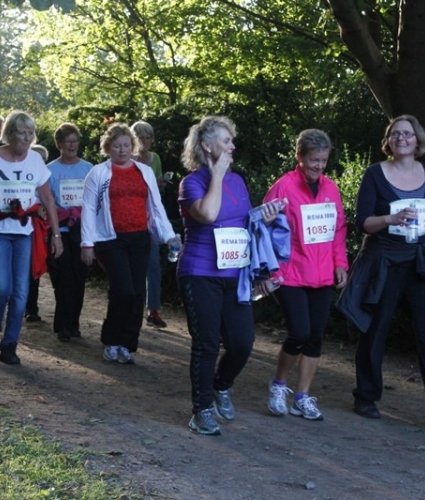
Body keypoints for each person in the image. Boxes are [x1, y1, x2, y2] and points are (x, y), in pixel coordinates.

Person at [0, 110, 63, 365]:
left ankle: (9, 345)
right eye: (22, 133)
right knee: (2, 287)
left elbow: (48, 198)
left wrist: (56, 234)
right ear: (10, 134)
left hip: (24, 232)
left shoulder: (35, 161)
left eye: (31, 133)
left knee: (20, 292)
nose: (27, 138)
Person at [337, 115, 425, 419]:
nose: (401, 138)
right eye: (395, 134)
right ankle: (366, 396)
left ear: (417, 140)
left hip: (419, 263)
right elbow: (363, 223)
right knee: (375, 330)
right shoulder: (375, 174)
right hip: (384, 261)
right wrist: (391, 219)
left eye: (407, 134)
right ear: (388, 141)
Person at [177, 116, 260, 435]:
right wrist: (217, 176)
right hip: (200, 273)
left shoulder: (238, 181)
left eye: (232, 140)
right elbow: (209, 214)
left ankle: (221, 385)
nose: (232, 146)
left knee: (243, 343)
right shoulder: (191, 183)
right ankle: (201, 410)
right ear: (207, 146)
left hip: (235, 273)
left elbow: (244, 221)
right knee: (207, 343)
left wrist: (264, 216)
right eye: (226, 141)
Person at [264, 129, 348, 421]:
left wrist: (340, 263)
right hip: (291, 273)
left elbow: (338, 229)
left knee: (315, 337)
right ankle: (279, 385)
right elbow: (264, 229)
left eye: (323, 161)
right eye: (314, 160)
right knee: (299, 333)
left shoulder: (331, 188)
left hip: (322, 273)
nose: (319, 166)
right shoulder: (283, 187)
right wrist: (269, 270)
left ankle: (302, 397)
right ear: (299, 157)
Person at [81, 123, 179, 364]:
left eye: (126, 145)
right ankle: (111, 340)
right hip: (110, 238)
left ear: (133, 146)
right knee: (123, 289)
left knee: (137, 292)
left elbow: (156, 206)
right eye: (117, 146)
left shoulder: (144, 172)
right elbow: (89, 209)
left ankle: (127, 344)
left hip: (140, 237)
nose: (122, 150)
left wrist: (169, 235)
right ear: (108, 147)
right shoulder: (98, 173)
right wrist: (87, 243)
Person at [47, 123, 93, 340]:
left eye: (75, 141)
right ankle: (63, 325)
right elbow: (43, 201)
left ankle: (73, 323)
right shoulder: (49, 170)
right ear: (59, 144)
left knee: (78, 277)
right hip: (60, 229)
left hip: (82, 230)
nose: (72, 145)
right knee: (63, 276)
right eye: (68, 141)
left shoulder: (88, 168)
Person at [131, 120, 168, 328]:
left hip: (151, 217)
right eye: (141, 138)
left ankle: (153, 308)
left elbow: (158, 189)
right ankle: (131, 306)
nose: (144, 142)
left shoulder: (155, 159)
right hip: (130, 217)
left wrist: (161, 184)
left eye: (148, 138)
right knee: (133, 265)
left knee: (153, 264)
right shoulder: (127, 159)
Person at [24, 144, 50, 322]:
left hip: (42, 229)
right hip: (23, 226)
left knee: (35, 267)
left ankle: (31, 307)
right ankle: (21, 304)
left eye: (43, 159)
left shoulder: (48, 177)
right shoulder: (22, 176)